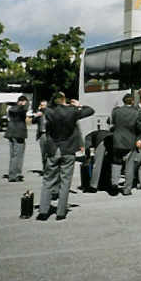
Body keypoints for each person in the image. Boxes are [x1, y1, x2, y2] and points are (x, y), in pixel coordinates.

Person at [38, 92, 94, 220]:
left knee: (48, 180)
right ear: (64, 100)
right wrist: (79, 105)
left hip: (53, 148)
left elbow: (43, 109)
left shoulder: (50, 111)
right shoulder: (72, 111)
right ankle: (61, 212)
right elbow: (90, 110)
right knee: (65, 181)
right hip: (68, 149)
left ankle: (43, 211)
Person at [108, 93, 141, 196]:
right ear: (132, 101)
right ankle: (127, 189)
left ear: (123, 101)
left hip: (117, 140)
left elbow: (111, 122)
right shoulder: (136, 112)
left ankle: (114, 185)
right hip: (130, 141)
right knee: (129, 166)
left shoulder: (116, 111)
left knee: (116, 163)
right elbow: (140, 128)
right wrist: (139, 139)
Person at [4, 95, 29, 182]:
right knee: (18, 155)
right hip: (19, 133)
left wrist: (18, 103)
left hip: (10, 133)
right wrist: (22, 104)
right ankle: (15, 175)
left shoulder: (11, 109)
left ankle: (12, 173)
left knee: (13, 155)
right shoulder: (21, 109)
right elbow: (25, 108)